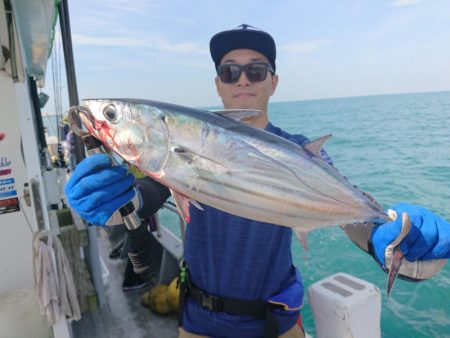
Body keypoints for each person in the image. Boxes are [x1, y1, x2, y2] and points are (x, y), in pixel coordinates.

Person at [65, 24, 450, 338]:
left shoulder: (303, 151)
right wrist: (111, 207)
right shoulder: (174, 152)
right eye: (230, 71)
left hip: (278, 322)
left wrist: (383, 236)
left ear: (274, 81)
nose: (243, 79)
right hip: (199, 321)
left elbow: (354, 219)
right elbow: (144, 197)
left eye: (257, 70)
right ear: (218, 84)